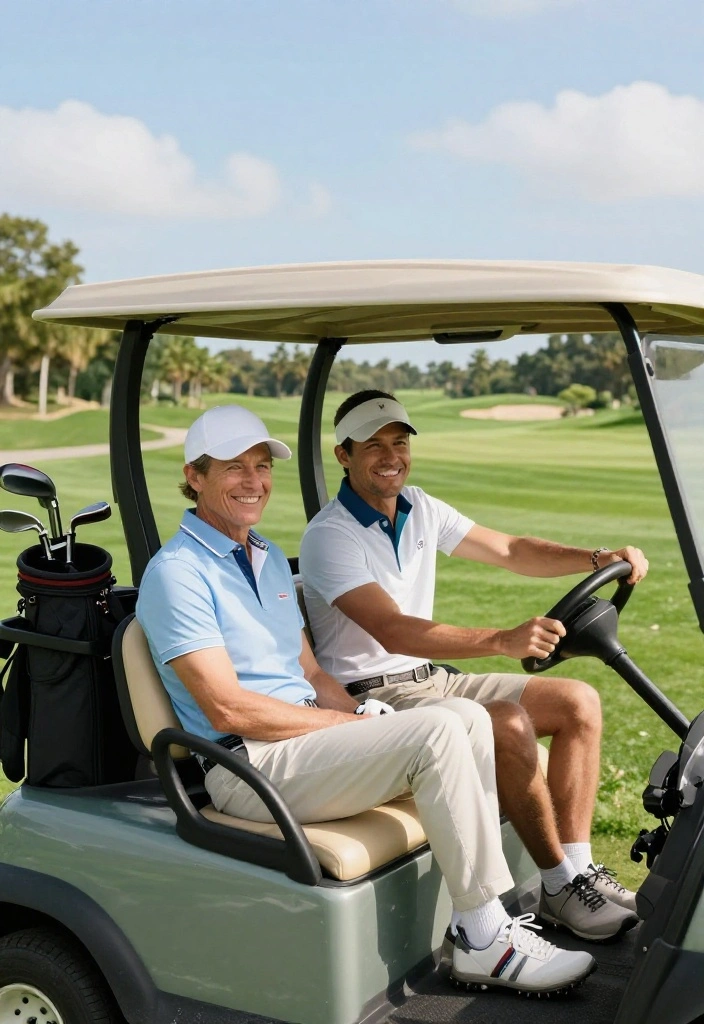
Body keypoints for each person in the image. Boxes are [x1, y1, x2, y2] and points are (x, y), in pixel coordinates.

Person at [136, 403, 596, 996]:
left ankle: (494, 911)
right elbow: (228, 709)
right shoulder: (177, 573)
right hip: (246, 765)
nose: (254, 482)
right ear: (195, 477)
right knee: (438, 730)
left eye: (260, 466)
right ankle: (484, 938)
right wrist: (337, 722)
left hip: (300, 746)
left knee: (463, 716)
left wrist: (357, 713)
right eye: (233, 468)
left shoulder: (266, 556)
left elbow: (307, 668)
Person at [299, 389, 647, 944]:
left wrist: (597, 559)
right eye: (373, 446)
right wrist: (502, 640)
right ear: (343, 455)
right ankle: (556, 882)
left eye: (399, 442)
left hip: (429, 677)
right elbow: (392, 629)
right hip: (377, 696)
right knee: (506, 721)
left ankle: (577, 871)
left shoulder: (419, 506)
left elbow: (509, 549)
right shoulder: (328, 536)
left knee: (577, 702)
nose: (391, 455)